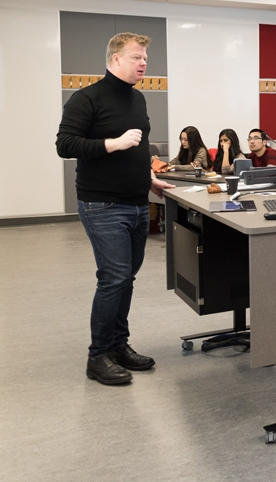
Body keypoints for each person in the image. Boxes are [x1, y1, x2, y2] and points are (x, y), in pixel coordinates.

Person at [55, 32, 176, 385]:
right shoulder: (86, 98)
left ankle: (118, 345)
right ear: (115, 59)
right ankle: (98, 357)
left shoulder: (137, 99)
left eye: (145, 59)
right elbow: (65, 144)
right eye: (137, 57)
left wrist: (148, 180)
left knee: (126, 279)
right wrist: (113, 143)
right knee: (114, 278)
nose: (143, 63)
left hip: (138, 201)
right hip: (101, 203)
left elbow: (138, 151)